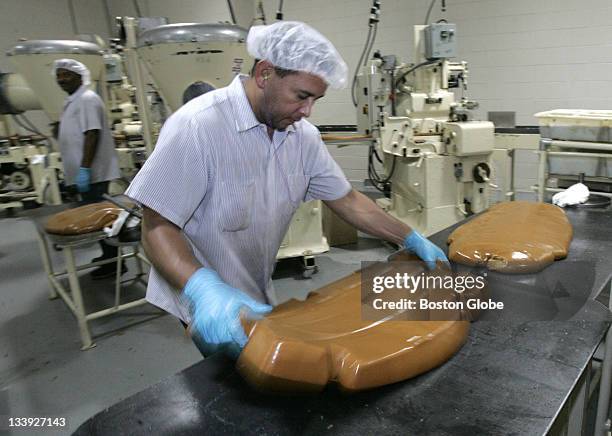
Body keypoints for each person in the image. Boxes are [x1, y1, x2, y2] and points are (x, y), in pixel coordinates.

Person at [125, 21, 449, 356]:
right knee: (242, 377)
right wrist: (203, 289)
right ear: (265, 74)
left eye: (316, 100)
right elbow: (156, 228)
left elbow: (348, 201)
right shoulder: (197, 126)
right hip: (199, 292)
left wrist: (407, 237)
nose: (307, 111)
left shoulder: (302, 137)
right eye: (302, 96)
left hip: (254, 282)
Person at [52, 59, 123, 279]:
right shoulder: (74, 100)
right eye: (59, 75)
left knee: (99, 218)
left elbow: (92, 133)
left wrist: (84, 169)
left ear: (80, 76)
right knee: (94, 216)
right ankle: (107, 256)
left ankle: (114, 263)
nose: (62, 79)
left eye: (67, 75)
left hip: (93, 172)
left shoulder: (87, 99)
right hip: (85, 171)